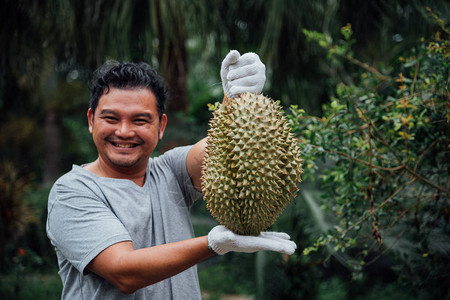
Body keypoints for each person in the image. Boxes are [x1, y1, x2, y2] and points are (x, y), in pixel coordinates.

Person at [46, 50, 297, 299]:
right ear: (91, 120)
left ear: (161, 126)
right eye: (111, 118)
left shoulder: (169, 171)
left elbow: (225, 147)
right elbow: (123, 271)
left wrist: (236, 95)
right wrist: (213, 244)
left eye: (140, 120)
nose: (123, 131)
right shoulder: (72, 191)